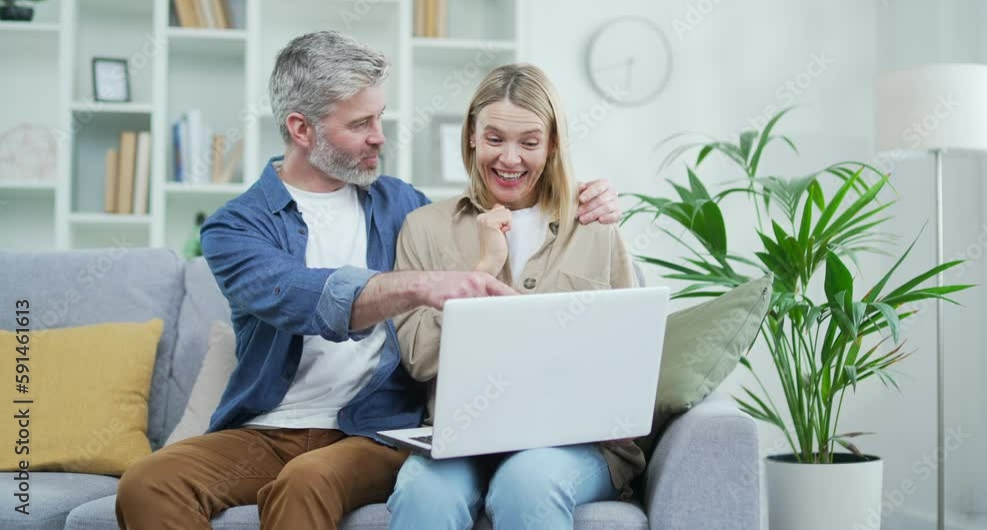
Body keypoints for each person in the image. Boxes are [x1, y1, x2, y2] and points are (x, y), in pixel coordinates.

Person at [114, 32, 623, 530]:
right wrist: (418, 286)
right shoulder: (235, 228)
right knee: (146, 483)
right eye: (361, 123)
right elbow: (299, 296)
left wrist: (585, 193)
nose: (380, 135)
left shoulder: (401, 206)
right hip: (265, 429)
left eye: (379, 117)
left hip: (372, 427)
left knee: (305, 482)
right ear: (301, 129)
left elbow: (496, 201)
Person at [386, 63, 644, 530]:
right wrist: (482, 269)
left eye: (529, 142)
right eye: (494, 138)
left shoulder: (595, 226)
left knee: (526, 485)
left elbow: (630, 354)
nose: (510, 159)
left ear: (552, 144)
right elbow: (419, 358)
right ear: (471, 136)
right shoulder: (424, 229)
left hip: (571, 446)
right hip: (462, 440)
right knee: (423, 493)